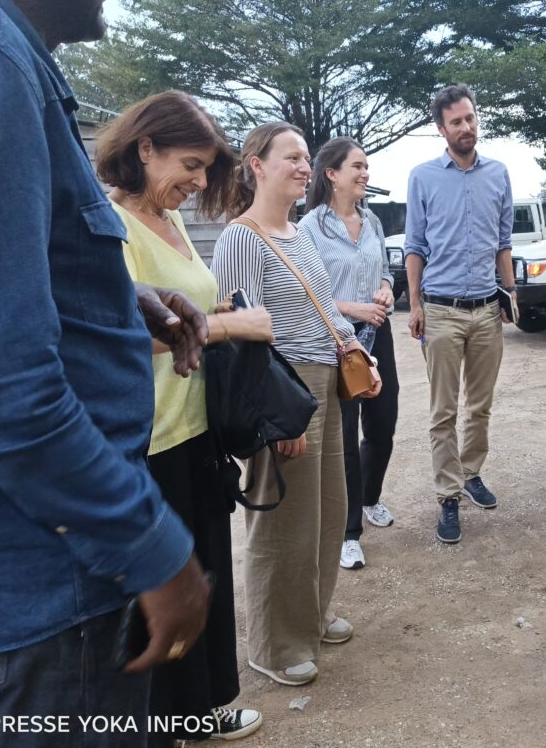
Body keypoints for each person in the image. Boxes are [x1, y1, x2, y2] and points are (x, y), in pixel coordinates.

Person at [0, 0, 211, 746]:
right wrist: (153, 547)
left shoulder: (1, 54)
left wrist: (117, 298)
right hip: (45, 590)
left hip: (43, 586)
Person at [101, 91, 273, 742]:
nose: (200, 182)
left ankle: (204, 706)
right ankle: (165, 722)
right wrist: (232, 325)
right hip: (152, 441)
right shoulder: (117, 229)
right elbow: (118, 332)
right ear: (144, 150)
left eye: (206, 169)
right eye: (191, 165)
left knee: (207, 579)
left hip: (195, 431)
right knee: (165, 590)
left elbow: (191, 311)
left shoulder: (172, 226)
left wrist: (217, 311)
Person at [211, 122, 380, 687]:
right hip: (284, 389)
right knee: (283, 523)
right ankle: (274, 644)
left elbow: (324, 306)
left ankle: (310, 615)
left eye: (308, 157)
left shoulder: (301, 234)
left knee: (328, 512)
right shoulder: (240, 239)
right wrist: (273, 416)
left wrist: (355, 349)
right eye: (293, 156)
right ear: (256, 164)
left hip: (326, 380)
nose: (305, 166)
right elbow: (243, 337)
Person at [405, 83, 517, 544]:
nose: (466, 127)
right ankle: (447, 496)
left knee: (482, 406)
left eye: (470, 118)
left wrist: (511, 292)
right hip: (442, 310)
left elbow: (504, 241)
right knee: (443, 410)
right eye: (456, 122)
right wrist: (413, 303)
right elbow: (414, 246)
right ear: (441, 129)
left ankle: (470, 473)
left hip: (488, 310)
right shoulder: (423, 177)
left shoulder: (499, 174)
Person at [301, 137, 399, 571]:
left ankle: (370, 498)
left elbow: (384, 271)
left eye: (366, 167)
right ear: (331, 174)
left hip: (379, 337)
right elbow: (308, 293)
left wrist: (386, 289)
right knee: (343, 440)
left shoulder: (373, 221)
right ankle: (348, 531)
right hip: (337, 343)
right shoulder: (310, 229)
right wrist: (355, 308)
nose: (365, 174)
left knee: (383, 425)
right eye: (357, 166)